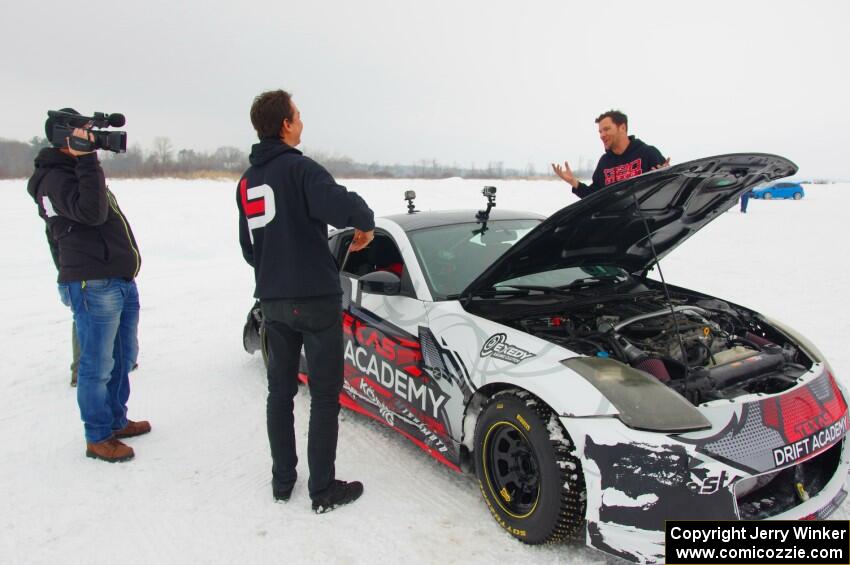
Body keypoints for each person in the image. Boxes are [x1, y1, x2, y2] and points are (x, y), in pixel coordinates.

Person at [238, 90, 375, 513]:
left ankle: (283, 481)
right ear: (284, 124)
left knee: (279, 392)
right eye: (297, 116)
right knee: (324, 396)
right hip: (314, 301)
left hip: (273, 302)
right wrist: (366, 223)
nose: (301, 122)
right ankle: (322, 489)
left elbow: (248, 248)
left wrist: (275, 263)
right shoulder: (300, 169)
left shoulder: (247, 181)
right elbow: (344, 206)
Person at [27, 108, 150, 463]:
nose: (91, 139)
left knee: (123, 356)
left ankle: (115, 419)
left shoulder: (76, 171)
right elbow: (92, 213)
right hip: (93, 283)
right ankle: (98, 436)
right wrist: (87, 162)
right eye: (84, 133)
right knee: (96, 364)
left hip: (116, 280)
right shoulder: (54, 178)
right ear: (66, 137)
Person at [552, 109, 669, 198]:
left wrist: (667, 176)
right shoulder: (604, 162)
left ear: (622, 128)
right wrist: (574, 183)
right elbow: (595, 198)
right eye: (600, 131)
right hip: (617, 226)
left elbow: (668, 192)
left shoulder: (648, 153)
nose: (602, 135)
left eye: (606, 129)